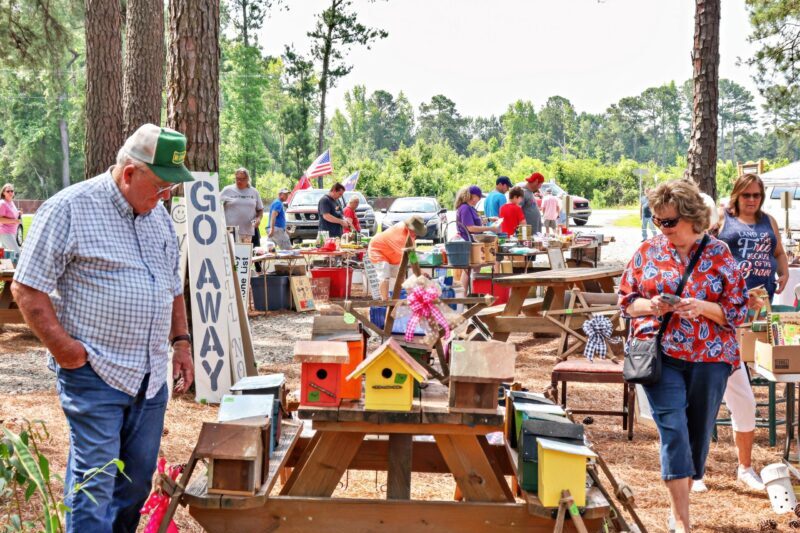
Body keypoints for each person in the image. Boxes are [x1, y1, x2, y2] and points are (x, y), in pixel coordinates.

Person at [11, 123, 195, 532]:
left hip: (150, 379)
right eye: (161, 186)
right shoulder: (70, 209)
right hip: (95, 373)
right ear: (129, 173)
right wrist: (66, 351)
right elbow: (26, 287)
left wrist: (181, 343)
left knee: (135, 484)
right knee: (94, 484)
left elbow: (172, 287)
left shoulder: (158, 218)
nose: (166, 196)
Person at [618, 179, 748, 533]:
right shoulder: (648, 251)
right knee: (673, 430)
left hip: (710, 358)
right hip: (661, 356)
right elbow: (627, 302)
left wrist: (701, 307)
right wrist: (653, 306)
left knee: (696, 435)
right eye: (658, 220)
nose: (663, 228)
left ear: (692, 217)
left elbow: (737, 310)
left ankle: (680, 503)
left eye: (670, 221)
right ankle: (681, 520)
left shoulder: (719, 253)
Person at [708, 173, 789, 492]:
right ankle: (699, 467)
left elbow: (779, 252)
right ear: (737, 195)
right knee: (719, 382)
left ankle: (744, 465)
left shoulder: (768, 221)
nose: (752, 200)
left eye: (757, 195)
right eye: (747, 195)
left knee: (748, 378)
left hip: (758, 305)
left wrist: (783, 272)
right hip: (724, 308)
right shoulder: (722, 217)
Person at [367, 216, 427, 299]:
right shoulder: (399, 236)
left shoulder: (409, 231)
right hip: (378, 249)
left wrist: (419, 272)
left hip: (391, 251)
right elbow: (410, 256)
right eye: (415, 231)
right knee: (384, 275)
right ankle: (385, 301)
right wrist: (420, 271)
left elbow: (411, 251)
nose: (416, 234)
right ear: (409, 227)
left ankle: (408, 298)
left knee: (401, 275)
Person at [454, 185, 496, 289]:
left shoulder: (470, 208)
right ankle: (463, 294)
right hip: (468, 243)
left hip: (473, 243)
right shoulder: (465, 208)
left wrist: (489, 219)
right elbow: (470, 228)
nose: (479, 199)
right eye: (478, 197)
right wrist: (490, 228)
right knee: (468, 271)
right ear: (473, 196)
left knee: (475, 268)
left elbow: (477, 220)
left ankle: (473, 292)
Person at [220, 168, 264, 243]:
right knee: (232, 251)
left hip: (248, 232)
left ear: (247, 179)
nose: (239, 181)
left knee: (246, 251)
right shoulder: (227, 190)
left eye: (242, 179)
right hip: (230, 232)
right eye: (237, 179)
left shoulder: (254, 192)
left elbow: (260, 209)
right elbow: (217, 206)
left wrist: (258, 219)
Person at [0, 183, 22, 252]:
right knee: (17, 253)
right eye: (8, 191)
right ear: (3, 193)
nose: (10, 192)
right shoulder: (2, 203)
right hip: (5, 232)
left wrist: (18, 213)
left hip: (12, 232)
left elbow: (10, 214)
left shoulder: (11, 202)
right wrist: (14, 221)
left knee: (5, 255)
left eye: (12, 191)